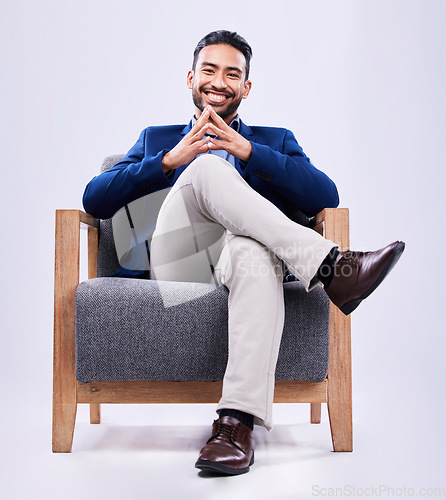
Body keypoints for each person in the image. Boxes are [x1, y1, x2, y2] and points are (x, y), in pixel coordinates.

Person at [82, 30, 405, 476]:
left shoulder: (275, 140)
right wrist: (169, 162)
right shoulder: (156, 139)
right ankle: (334, 267)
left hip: (244, 266)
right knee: (208, 167)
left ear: (246, 88)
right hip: (177, 265)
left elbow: (324, 194)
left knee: (256, 254)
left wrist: (251, 152)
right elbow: (94, 200)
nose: (219, 81)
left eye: (233, 74)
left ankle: (234, 426)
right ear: (191, 78)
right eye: (210, 70)